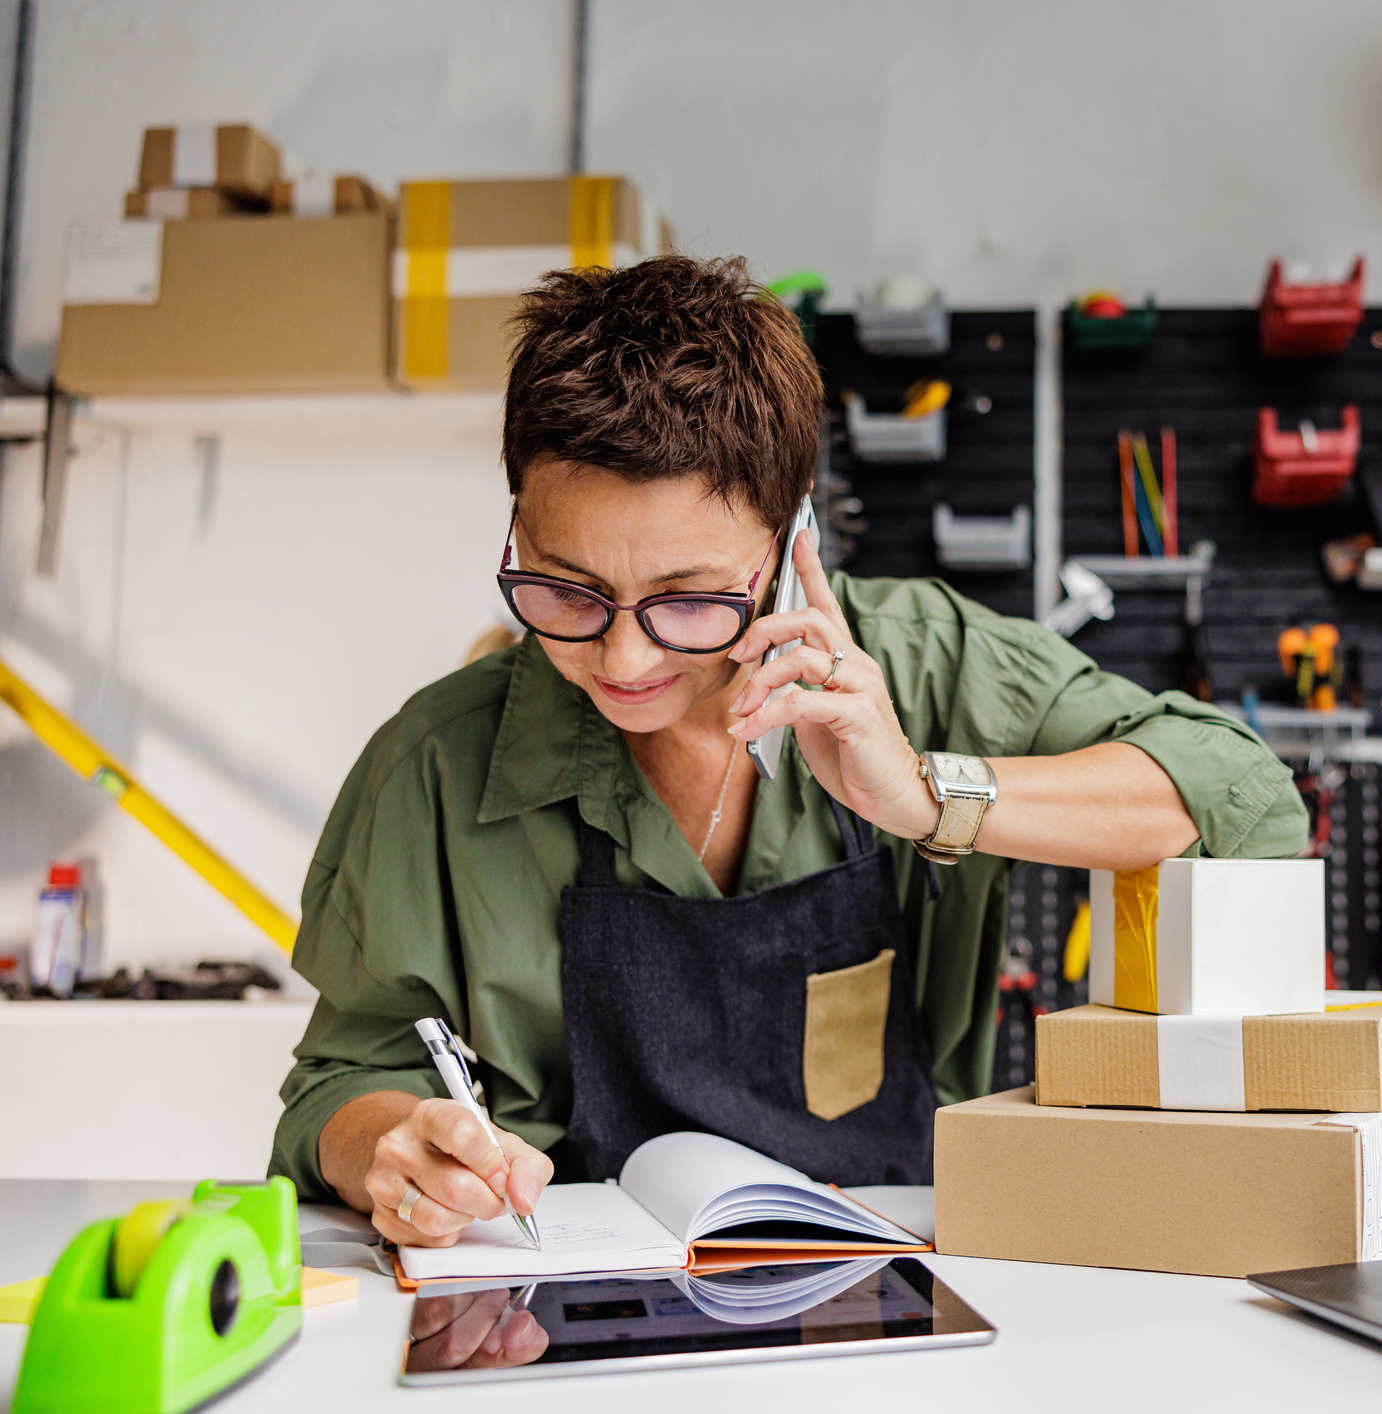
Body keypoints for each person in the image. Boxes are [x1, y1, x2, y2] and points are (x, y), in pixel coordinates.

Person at [268, 255, 1307, 1249]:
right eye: (565, 588)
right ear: (515, 529)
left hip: (896, 1261)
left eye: (688, 598)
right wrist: (389, 1146)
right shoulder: (437, 762)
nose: (622, 654)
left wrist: (926, 794)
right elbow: (342, 1078)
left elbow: (1240, 796)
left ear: (790, 536)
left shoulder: (925, 661)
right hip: (564, 1290)